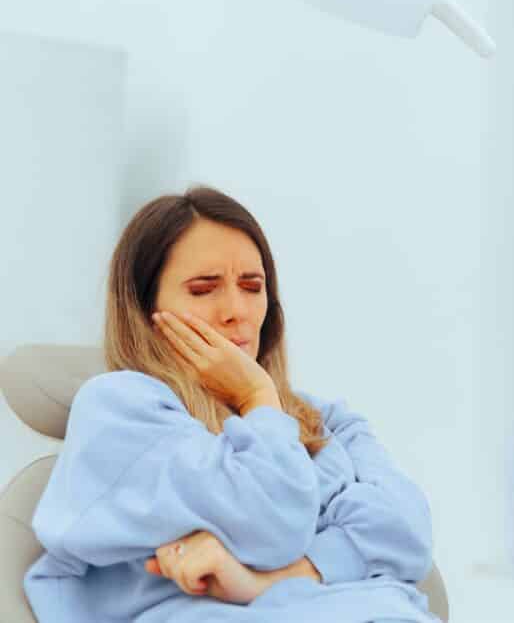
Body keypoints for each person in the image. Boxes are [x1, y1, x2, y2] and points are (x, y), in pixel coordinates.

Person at [23, 186, 437, 623]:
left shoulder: (324, 419)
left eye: (252, 286)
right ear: (145, 309)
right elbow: (272, 527)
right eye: (203, 289)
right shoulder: (119, 408)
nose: (235, 310)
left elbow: (407, 531)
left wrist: (271, 579)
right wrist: (256, 397)